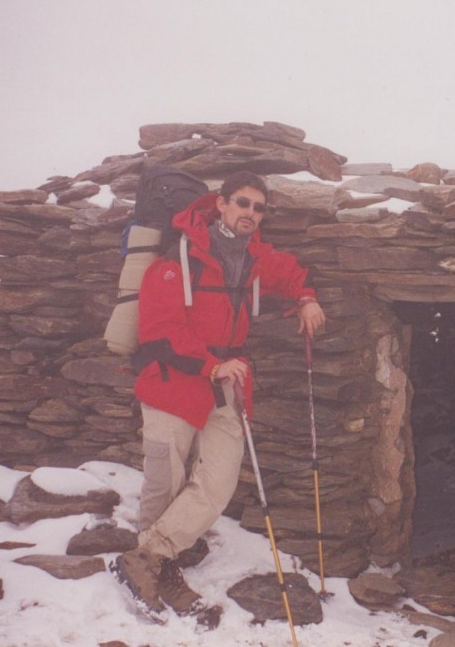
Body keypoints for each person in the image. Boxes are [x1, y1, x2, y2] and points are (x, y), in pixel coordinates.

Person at [114, 170, 325, 617]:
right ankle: (159, 567)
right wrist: (212, 364)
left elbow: (288, 272)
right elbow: (160, 331)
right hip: (173, 381)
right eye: (243, 203)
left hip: (225, 385)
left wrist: (306, 297)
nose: (251, 213)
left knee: (218, 481)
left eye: (259, 207)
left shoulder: (253, 257)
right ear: (222, 205)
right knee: (165, 480)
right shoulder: (178, 259)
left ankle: (145, 559)